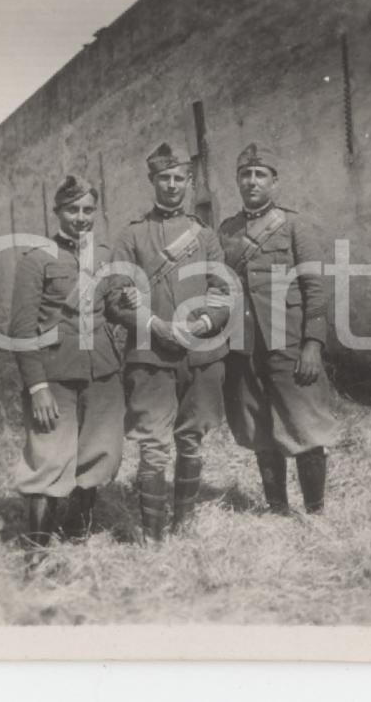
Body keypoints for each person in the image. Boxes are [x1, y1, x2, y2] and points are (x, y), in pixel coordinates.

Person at [106, 142, 230, 542]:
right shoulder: (132, 235)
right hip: (151, 355)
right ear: (152, 182)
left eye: (179, 178)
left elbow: (221, 289)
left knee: (191, 437)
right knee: (153, 443)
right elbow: (114, 300)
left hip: (202, 351)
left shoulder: (205, 235)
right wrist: (157, 327)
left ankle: (185, 521)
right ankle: (153, 534)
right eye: (164, 178)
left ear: (189, 183)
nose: (172, 185)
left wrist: (205, 322)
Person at [218, 143, 338, 516]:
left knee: (304, 425)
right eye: (245, 174)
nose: (252, 181)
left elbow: (315, 287)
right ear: (238, 180)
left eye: (260, 174)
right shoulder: (228, 230)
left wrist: (313, 344)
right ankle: (277, 509)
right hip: (244, 343)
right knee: (259, 428)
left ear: (275, 181)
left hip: (288, 342)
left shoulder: (294, 225)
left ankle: (315, 511)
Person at [9, 174, 124, 558]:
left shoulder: (105, 257)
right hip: (55, 374)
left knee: (99, 452)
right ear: (57, 211)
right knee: (49, 457)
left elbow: (114, 310)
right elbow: (22, 328)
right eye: (72, 209)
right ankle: (37, 551)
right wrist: (37, 387)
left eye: (88, 209)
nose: (81, 217)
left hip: (103, 372)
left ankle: (78, 532)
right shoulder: (37, 259)